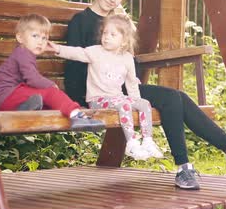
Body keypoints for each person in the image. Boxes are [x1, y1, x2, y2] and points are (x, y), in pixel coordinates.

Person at [64, 0, 226, 190]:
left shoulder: (118, 24)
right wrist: (85, 97)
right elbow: (74, 67)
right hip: (100, 92)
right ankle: (201, 160)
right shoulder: (81, 21)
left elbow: (130, 64)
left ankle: (214, 154)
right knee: (172, 98)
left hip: (124, 89)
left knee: (176, 97)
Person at [46, 14, 164, 160]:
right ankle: (132, 143)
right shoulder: (95, 52)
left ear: (124, 41)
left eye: (112, 34)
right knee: (125, 105)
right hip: (98, 99)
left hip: (117, 99)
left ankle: (147, 141)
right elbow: (77, 52)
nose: (106, 37)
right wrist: (57, 48)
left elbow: (132, 84)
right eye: (105, 33)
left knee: (144, 104)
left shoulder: (127, 58)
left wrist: (136, 103)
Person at [0, 13, 104, 131]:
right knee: (50, 93)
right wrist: (51, 85)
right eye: (35, 36)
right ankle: (77, 115)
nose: (40, 42)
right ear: (20, 37)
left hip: (7, 100)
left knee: (45, 102)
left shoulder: (23, 53)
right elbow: (32, 79)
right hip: (7, 95)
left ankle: (24, 107)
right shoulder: (23, 53)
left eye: (44, 38)